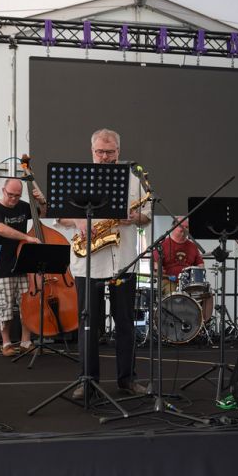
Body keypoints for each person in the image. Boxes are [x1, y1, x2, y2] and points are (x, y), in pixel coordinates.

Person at [56, 128, 151, 398]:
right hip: (88, 260)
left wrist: (135, 218)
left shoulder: (134, 180)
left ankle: (127, 380)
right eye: (100, 152)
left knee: (125, 323)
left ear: (118, 151)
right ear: (92, 151)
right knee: (88, 323)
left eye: (110, 152)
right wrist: (78, 222)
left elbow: (147, 214)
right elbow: (59, 215)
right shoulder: (78, 178)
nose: (105, 157)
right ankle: (87, 381)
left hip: (124, 260)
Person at [0, 178, 46, 357]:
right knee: (4, 307)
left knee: (27, 305)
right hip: (2, 265)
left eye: (17, 196)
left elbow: (43, 215)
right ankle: (6, 343)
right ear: (3, 190)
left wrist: (42, 202)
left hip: (23, 263)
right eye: (10, 194)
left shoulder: (24, 206)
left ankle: (26, 342)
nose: (13, 198)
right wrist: (26, 238)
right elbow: (0, 229)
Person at [154, 217, 204, 296]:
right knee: (173, 291)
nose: (184, 229)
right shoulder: (163, 245)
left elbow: (200, 265)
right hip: (169, 281)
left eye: (187, 227)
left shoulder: (193, 246)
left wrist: (200, 281)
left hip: (188, 283)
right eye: (181, 226)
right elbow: (156, 266)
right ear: (173, 227)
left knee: (207, 295)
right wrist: (159, 270)